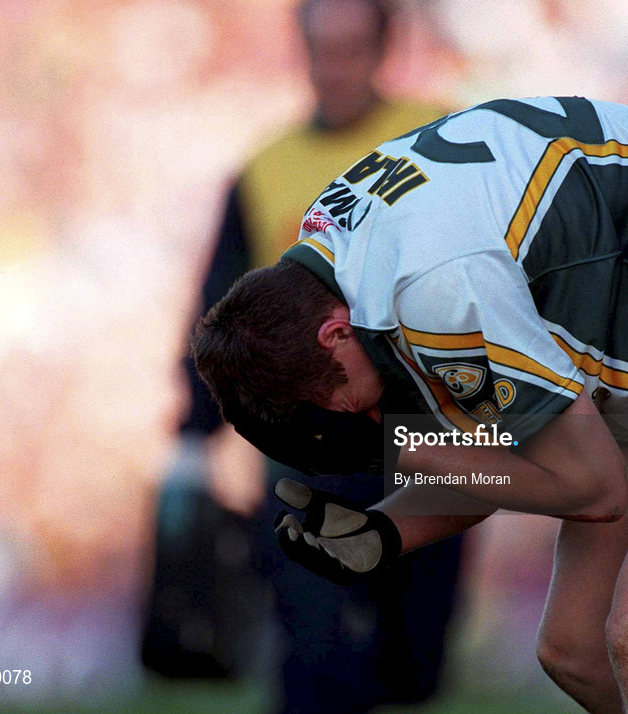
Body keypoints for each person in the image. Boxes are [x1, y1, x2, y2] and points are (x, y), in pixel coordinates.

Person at [191, 96, 628, 713]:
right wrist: (385, 532)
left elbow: (591, 487)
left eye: (336, 404)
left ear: (334, 334)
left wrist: (414, 452)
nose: (362, 421)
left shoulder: (431, 285)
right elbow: (510, 453)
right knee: (578, 651)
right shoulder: (342, 254)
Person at [179, 0, 464, 711]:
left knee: (411, 659)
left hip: (429, 435)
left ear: (381, 48)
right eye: (320, 49)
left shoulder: (437, 139)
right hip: (312, 442)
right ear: (300, 52)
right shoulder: (265, 170)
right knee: (312, 649)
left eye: (349, 48)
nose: (333, 68)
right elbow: (221, 316)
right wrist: (193, 433)